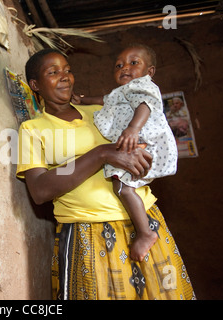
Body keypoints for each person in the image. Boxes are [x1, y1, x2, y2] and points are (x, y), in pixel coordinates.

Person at [17, 48, 195, 300]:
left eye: (68, 70)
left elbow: (145, 119)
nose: (65, 76)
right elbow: (41, 189)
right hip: (89, 232)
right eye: (53, 72)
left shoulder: (101, 111)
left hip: (143, 221)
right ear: (35, 84)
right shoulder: (34, 129)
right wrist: (101, 154)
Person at [73, 44, 178, 261]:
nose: (125, 68)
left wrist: (133, 129)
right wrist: (83, 100)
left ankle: (145, 233)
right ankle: (144, 231)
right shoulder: (122, 92)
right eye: (119, 65)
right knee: (122, 185)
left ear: (149, 72)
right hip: (136, 143)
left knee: (123, 187)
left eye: (133, 63)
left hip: (143, 143)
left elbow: (145, 105)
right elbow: (104, 100)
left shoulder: (143, 86)